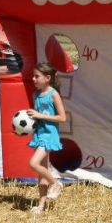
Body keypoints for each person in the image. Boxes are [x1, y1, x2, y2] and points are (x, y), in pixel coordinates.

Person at [26, 62, 67, 214]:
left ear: (47, 78)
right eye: (33, 76)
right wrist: (29, 121)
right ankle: (41, 206)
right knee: (41, 172)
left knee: (33, 163)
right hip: (39, 134)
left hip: (49, 135)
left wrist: (39, 115)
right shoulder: (35, 95)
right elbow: (38, 117)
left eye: (37, 76)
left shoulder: (53, 94)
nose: (33, 79)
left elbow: (62, 118)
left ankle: (56, 183)